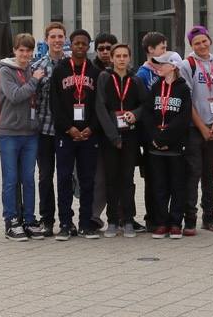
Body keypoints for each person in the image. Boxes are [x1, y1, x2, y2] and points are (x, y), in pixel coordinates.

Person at [51, 29, 101, 239]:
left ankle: (85, 223)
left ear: (88, 46)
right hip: (66, 134)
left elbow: (101, 104)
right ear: (70, 45)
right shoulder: (60, 70)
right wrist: (68, 128)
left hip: (89, 134)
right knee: (63, 179)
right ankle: (65, 222)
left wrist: (91, 127)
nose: (80, 46)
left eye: (84, 43)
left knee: (87, 179)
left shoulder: (95, 71)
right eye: (76, 43)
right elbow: (54, 103)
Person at [0, 33, 46, 241]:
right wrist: (35, 81)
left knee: (28, 179)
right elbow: (15, 96)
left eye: (28, 50)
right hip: (9, 132)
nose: (25, 54)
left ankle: (28, 219)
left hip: (30, 133)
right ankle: (11, 220)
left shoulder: (33, 69)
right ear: (15, 51)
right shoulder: (6, 71)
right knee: (10, 179)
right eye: (21, 50)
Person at [95, 42, 147, 236]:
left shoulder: (136, 80)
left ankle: (128, 220)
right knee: (111, 179)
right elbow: (100, 107)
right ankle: (112, 220)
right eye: (118, 56)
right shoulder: (104, 77)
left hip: (131, 136)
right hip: (110, 137)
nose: (122, 59)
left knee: (128, 179)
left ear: (129, 58)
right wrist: (112, 136)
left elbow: (145, 104)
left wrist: (136, 114)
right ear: (112, 58)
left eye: (125, 56)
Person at [182, 24, 213, 234]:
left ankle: (209, 216)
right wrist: (201, 126)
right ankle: (190, 217)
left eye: (204, 41)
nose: (201, 45)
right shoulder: (187, 64)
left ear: (210, 40)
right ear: (191, 45)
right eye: (196, 43)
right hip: (195, 127)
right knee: (193, 172)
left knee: (210, 173)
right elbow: (186, 99)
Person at [144, 51, 193, 238]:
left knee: (177, 185)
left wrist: (167, 138)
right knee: (159, 185)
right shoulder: (156, 87)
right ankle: (161, 222)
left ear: (173, 66)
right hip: (156, 147)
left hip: (175, 146)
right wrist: (156, 137)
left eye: (162, 64)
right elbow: (148, 114)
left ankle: (175, 222)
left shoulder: (183, 89)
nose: (158, 67)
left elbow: (183, 117)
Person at [32, 21, 67, 236]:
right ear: (46, 40)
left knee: (65, 177)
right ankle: (47, 219)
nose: (56, 40)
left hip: (66, 131)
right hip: (44, 130)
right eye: (52, 37)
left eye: (60, 36)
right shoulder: (38, 67)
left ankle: (66, 220)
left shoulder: (71, 64)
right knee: (45, 176)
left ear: (65, 39)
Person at [135, 31, 168, 230]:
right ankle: (152, 217)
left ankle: (165, 215)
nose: (165, 51)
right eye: (162, 48)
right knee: (153, 178)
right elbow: (145, 106)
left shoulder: (167, 70)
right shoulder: (142, 74)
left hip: (168, 131)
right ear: (150, 50)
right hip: (150, 134)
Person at [89, 32, 117, 227]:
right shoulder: (90, 71)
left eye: (109, 48)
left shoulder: (126, 71)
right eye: (101, 48)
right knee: (99, 178)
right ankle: (94, 215)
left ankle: (122, 216)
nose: (105, 52)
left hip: (119, 131)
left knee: (120, 177)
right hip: (96, 130)